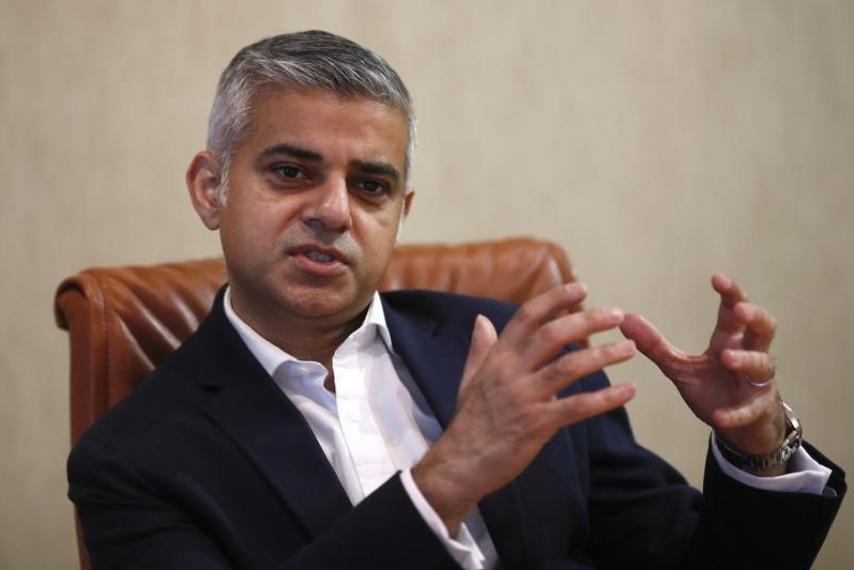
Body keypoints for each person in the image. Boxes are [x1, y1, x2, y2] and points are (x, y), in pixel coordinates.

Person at [68, 30, 845, 569]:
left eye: (370, 186)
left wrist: (757, 445)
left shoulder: (521, 352)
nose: (335, 211)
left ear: (401, 214)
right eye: (291, 171)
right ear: (212, 189)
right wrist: (450, 475)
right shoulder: (133, 459)